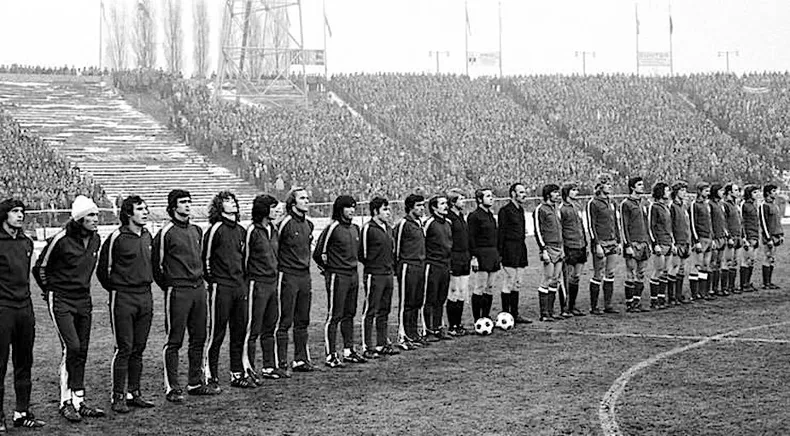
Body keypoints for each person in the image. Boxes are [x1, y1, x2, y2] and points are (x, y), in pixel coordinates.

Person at [34, 195, 104, 422]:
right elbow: (40, 268)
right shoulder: (61, 239)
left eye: (96, 214)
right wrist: (50, 291)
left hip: (84, 299)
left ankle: (78, 400)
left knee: (81, 349)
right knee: (71, 347)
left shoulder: (96, 240)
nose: (96, 219)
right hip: (61, 299)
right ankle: (65, 402)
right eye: (91, 215)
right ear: (79, 219)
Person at [153, 189, 216, 403]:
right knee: (175, 339)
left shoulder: (197, 230)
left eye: (189, 201)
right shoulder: (166, 233)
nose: (187, 205)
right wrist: (172, 284)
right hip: (178, 291)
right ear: (173, 207)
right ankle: (172, 387)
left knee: (199, 337)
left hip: (199, 289)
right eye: (182, 202)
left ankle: (195, 382)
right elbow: (157, 267)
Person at [96, 195, 156, 413]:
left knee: (139, 348)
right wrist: (118, 289)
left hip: (146, 296)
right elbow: (103, 270)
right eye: (140, 209)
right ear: (129, 213)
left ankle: (134, 393)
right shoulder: (116, 238)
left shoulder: (149, 235)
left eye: (146, 208)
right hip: (123, 298)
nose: (145, 212)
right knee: (124, 347)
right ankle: (118, 396)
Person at [0, 199, 46, 430]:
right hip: (3, 309)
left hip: (24, 308)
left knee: (24, 362)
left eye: (22, 212)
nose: (20, 215)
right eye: (15, 212)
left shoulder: (26, 242)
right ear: (4, 215)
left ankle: (22, 412)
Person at [203, 191, 254, 388]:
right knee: (217, 331)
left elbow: (245, 259)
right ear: (219, 206)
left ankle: (237, 373)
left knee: (239, 331)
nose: (232, 204)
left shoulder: (241, 230)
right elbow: (205, 258)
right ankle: (210, 374)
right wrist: (215, 280)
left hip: (239, 286)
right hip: (221, 287)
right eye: (226, 201)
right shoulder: (216, 229)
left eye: (233, 200)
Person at [314, 195, 365, 368]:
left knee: (350, 313)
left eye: (353, 207)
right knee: (335, 314)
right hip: (338, 275)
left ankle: (349, 350)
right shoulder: (332, 228)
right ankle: (331, 355)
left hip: (353, 274)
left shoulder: (355, 229)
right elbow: (318, 253)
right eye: (348, 207)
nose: (351, 211)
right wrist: (329, 270)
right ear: (339, 209)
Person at [243, 195, 288, 381]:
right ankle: (248, 368)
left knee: (270, 326)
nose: (276, 210)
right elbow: (244, 259)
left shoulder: (273, 229)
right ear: (263, 209)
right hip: (256, 283)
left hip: (272, 283)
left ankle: (269, 366)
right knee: (252, 328)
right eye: (272, 207)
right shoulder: (252, 231)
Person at [276, 187, 316, 372]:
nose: (306, 201)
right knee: (284, 320)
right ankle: (280, 362)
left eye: (307, 198)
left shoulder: (309, 225)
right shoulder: (285, 224)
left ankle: (300, 359)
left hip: (305, 276)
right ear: (293, 203)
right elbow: (275, 248)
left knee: (303, 319)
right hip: (288, 276)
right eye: (302, 198)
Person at [358, 197, 400, 357]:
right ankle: (367, 346)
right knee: (370, 309)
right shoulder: (368, 228)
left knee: (385, 309)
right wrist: (373, 266)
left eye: (388, 209)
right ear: (376, 211)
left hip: (388, 273)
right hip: (374, 274)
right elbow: (362, 253)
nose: (388, 213)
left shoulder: (388, 228)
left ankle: (382, 343)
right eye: (384, 209)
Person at [395, 194, 427, 350]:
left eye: (423, 205)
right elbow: (397, 247)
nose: (422, 208)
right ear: (410, 207)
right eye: (418, 205)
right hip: (408, 266)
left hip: (420, 265)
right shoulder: (403, 224)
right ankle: (403, 336)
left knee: (417, 301)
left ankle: (413, 334)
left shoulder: (419, 223)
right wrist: (398, 266)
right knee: (406, 302)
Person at [586, 175, 621, 315]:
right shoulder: (593, 203)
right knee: (598, 273)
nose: (610, 186)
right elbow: (591, 225)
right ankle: (594, 307)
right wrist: (597, 243)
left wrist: (618, 241)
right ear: (600, 186)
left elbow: (616, 223)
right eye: (607, 184)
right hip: (601, 242)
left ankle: (608, 305)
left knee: (610, 272)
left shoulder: (612, 203)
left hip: (612, 242)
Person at [497, 183, 531, 323]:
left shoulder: (520, 210)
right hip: (509, 249)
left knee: (518, 282)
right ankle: (506, 314)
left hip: (520, 248)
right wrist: (500, 253)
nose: (524, 195)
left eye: (524, 192)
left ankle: (515, 314)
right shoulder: (505, 211)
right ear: (513, 194)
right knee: (509, 281)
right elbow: (501, 233)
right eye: (521, 192)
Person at [533, 184, 565, 321]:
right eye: (555, 193)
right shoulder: (540, 209)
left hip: (559, 247)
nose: (558, 195)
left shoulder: (556, 209)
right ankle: (544, 314)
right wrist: (543, 249)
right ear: (548, 195)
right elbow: (538, 231)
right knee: (547, 278)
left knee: (555, 279)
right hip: (549, 248)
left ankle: (551, 312)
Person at [423, 194, 453, 340]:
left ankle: (438, 328)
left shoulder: (448, 223)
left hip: (445, 265)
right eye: (442, 204)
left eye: (446, 203)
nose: (445, 206)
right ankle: (428, 330)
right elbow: (422, 243)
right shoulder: (429, 223)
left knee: (441, 298)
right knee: (430, 298)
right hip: (432, 265)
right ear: (434, 207)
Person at [467, 188, 499, 322]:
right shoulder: (474, 216)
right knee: (480, 286)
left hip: (493, 254)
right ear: (480, 199)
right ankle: (477, 318)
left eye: (491, 196)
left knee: (490, 286)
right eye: (488, 196)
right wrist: (474, 257)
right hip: (481, 254)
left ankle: (486, 315)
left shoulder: (490, 215)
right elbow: (471, 238)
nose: (491, 198)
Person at [620, 177, 651, 312]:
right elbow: (623, 226)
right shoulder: (626, 204)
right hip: (632, 243)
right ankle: (629, 303)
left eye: (642, 185)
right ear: (632, 187)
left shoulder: (643, 203)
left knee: (641, 273)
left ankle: (637, 301)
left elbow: (647, 224)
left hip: (643, 242)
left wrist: (648, 241)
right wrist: (627, 245)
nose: (642, 187)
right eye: (639, 185)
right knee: (630, 273)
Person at [446, 189, 471, 335]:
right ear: (453, 202)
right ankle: (452, 325)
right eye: (461, 199)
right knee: (453, 291)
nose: (464, 202)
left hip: (464, 257)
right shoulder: (449, 218)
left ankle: (458, 323)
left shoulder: (461, 216)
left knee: (462, 291)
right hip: (454, 257)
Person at [559, 183, 588, 316]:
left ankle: (573, 306)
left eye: (577, 190)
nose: (576, 192)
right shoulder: (561, 209)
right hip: (569, 246)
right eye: (573, 190)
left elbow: (581, 226)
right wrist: (563, 248)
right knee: (567, 278)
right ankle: (565, 307)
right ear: (566, 192)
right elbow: (560, 229)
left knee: (576, 277)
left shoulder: (577, 206)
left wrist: (585, 243)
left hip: (580, 245)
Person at [647, 183, 674, 309]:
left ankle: (661, 298)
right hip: (660, 243)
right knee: (658, 270)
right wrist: (655, 244)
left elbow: (669, 227)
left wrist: (672, 241)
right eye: (667, 191)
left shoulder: (666, 207)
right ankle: (654, 300)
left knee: (665, 271)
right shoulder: (654, 207)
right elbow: (651, 227)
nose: (669, 193)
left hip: (668, 242)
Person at [689, 182, 714, 301]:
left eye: (708, 191)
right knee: (696, 265)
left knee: (705, 265)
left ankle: (702, 292)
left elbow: (710, 223)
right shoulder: (695, 204)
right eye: (705, 191)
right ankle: (694, 294)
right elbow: (693, 223)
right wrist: (696, 240)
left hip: (708, 238)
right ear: (699, 191)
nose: (707, 193)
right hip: (700, 239)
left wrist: (712, 238)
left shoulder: (707, 205)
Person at [669, 181, 692, 304]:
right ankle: (671, 296)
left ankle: (678, 295)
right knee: (674, 267)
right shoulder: (672, 207)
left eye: (685, 190)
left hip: (685, 241)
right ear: (676, 192)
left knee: (682, 268)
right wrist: (673, 242)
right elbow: (670, 226)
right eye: (682, 190)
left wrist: (689, 240)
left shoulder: (684, 207)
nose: (684, 193)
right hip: (677, 242)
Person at [759, 184, 783, 289]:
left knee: (772, 258)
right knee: (767, 257)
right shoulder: (764, 205)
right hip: (769, 237)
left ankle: (769, 281)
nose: (776, 193)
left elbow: (778, 222)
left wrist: (781, 234)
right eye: (773, 191)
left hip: (776, 235)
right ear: (768, 193)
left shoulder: (775, 205)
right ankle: (766, 283)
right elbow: (763, 223)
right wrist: (768, 238)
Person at [708, 184, 730, 297]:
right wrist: (712, 237)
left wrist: (726, 233)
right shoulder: (710, 204)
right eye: (720, 190)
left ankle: (716, 288)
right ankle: (709, 289)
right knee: (712, 263)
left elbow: (723, 220)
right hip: (715, 238)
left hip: (722, 237)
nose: (722, 192)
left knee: (719, 263)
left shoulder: (720, 204)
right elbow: (709, 222)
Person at [722, 184, 743, 294]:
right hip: (730, 238)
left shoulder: (736, 205)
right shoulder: (725, 205)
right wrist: (728, 237)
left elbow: (740, 222)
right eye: (735, 190)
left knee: (735, 262)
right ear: (729, 192)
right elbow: (724, 223)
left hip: (738, 237)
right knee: (727, 262)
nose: (737, 192)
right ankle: (724, 287)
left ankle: (731, 286)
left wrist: (742, 236)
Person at [740, 185, 761, 292]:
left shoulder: (753, 205)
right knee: (746, 260)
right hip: (748, 236)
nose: (757, 195)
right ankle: (743, 283)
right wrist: (744, 237)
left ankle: (748, 282)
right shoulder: (744, 205)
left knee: (752, 260)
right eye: (754, 192)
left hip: (755, 235)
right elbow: (742, 222)